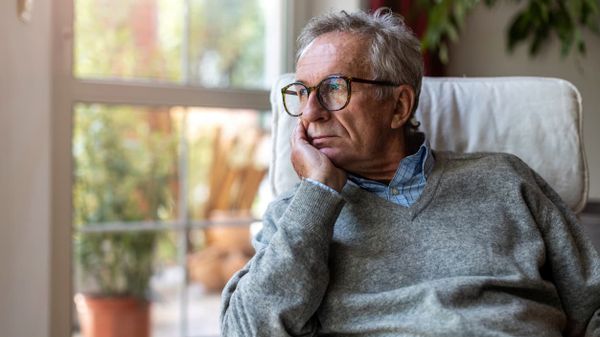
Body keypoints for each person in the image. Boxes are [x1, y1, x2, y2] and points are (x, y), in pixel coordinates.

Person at [220, 8, 600, 337]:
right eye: (302, 92)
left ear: (399, 106)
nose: (309, 113)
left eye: (334, 88)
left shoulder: (506, 179)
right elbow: (248, 330)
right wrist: (318, 193)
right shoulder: (298, 215)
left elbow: (593, 304)